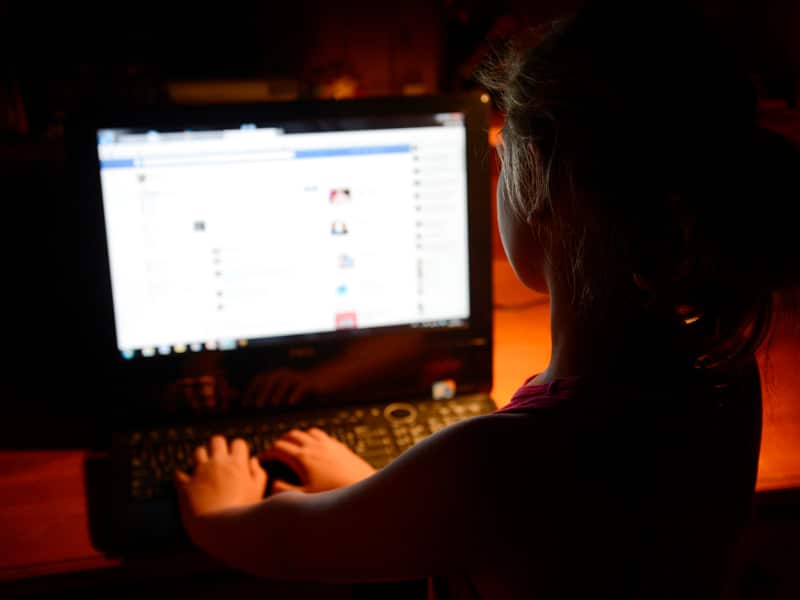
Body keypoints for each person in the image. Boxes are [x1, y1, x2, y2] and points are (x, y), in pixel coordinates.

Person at [173, 2, 799, 597]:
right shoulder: (723, 375)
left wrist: (215, 511)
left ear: (546, 180)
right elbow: (541, 539)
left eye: (503, 154)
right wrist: (381, 494)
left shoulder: (496, 464)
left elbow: (291, 544)